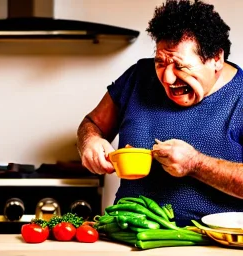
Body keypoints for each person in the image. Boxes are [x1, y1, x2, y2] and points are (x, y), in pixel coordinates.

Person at [77, 0, 243, 226]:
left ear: (216, 59)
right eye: (160, 63)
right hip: (126, 235)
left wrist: (196, 164)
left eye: (180, 66)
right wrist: (90, 141)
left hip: (212, 243)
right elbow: (92, 123)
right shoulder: (138, 77)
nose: (167, 78)